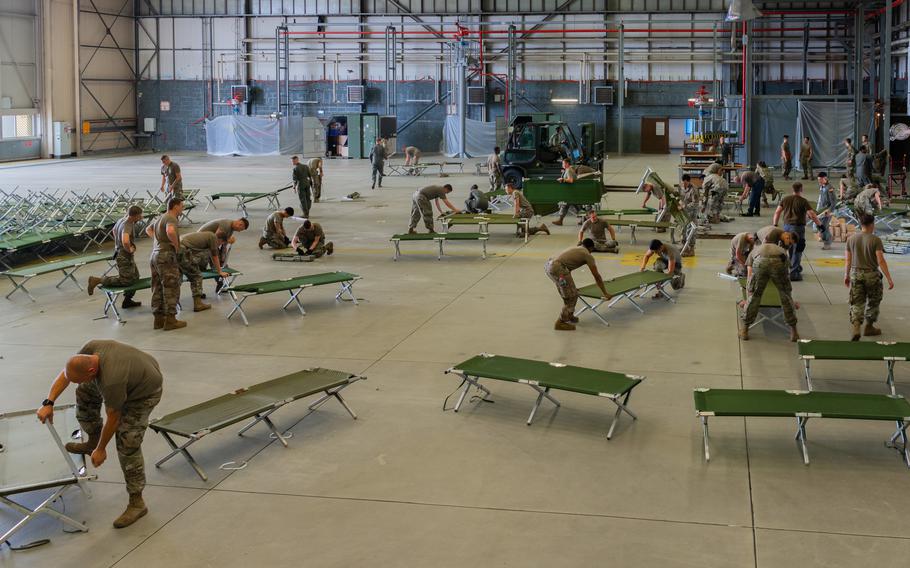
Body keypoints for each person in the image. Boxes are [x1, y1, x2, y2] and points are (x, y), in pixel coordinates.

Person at [36, 340, 162, 529]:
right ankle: (91, 442)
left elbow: (114, 417)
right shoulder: (91, 349)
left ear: (91, 372)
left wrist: (102, 449)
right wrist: (48, 402)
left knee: (127, 441)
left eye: (79, 379)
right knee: (84, 393)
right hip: (134, 372)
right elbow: (67, 374)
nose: (76, 383)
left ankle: (137, 503)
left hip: (144, 392)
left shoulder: (112, 380)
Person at [845, 214, 895, 340]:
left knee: (857, 302)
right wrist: (889, 278)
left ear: (861, 224)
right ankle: (869, 327)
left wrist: (846, 275)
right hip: (871, 275)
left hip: (856, 274)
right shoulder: (875, 240)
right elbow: (881, 260)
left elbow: (848, 260)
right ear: (872, 224)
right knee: (874, 301)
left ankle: (856, 327)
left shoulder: (851, 239)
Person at [544, 239, 611, 331]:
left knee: (568, 293)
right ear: (591, 248)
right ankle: (561, 322)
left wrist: (572, 287)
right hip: (558, 268)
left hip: (549, 266)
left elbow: (567, 267)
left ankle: (569, 315)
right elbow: (597, 276)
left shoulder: (577, 248)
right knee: (571, 296)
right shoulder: (587, 255)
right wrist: (605, 293)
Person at [739, 240, 799, 341]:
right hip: (779, 261)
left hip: (760, 262)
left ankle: (745, 331)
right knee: (785, 296)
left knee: (755, 296)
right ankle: (794, 332)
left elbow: (749, 275)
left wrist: (749, 294)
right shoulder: (781, 250)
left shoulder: (755, 250)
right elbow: (787, 270)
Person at [87, 205, 143, 309]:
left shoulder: (121, 220)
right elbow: (125, 240)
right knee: (126, 281)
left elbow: (113, 231)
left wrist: (118, 244)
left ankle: (127, 300)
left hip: (119, 252)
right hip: (124, 255)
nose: (141, 218)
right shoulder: (128, 224)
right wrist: (129, 249)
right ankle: (98, 280)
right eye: (140, 216)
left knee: (135, 277)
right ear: (135, 216)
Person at [145, 198, 185, 330]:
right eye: (181, 206)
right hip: (166, 256)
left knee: (157, 287)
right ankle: (171, 320)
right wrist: (176, 245)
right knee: (171, 286)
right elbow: (170, 231)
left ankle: (158, 319)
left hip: (155, 255)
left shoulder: (160, 217)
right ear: (175, 206)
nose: (182, 208)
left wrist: (158, 240)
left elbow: (148, 229)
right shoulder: (171, 218)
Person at [771, 182, 823, 281]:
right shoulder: (803, 201)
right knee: (798, 249)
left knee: (789, 248)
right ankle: (794, 273)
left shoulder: (785, 199)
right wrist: (820, 225)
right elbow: (812, 214)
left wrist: (775, 224)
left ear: (792, 189)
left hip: (786, 228)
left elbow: (777, 212)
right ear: (801, 189)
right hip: (798, 229)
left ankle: (793, 266)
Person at [177, 231, 229, 312]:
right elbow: (214, 256)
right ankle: (198, 304)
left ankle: (173, 302)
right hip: (183, 249)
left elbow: (210, 255)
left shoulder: (207, 235)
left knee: (178, 277)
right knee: (197, 276)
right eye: (221, 243)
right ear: (220, 240)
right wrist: (220, 271)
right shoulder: (213, 238)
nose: (219, 245)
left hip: (176, 246)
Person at [553, 159, 597, 225]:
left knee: (566, 205)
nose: (562, 165)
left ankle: (561, 220)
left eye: (563, 163)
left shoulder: (569, 170)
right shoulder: (568, 170)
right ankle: (584, 218)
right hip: (572, 192)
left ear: (567, 164)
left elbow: (570, 180)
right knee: (574, 206)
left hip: (572, 193)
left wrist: (563, 179)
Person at [815, 172, 836, 250]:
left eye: (820, 179)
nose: (819, 181)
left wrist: (829, 211)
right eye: (818, 180)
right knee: (819, 225)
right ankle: (829, 238)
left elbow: (833, 202)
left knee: (824, 226)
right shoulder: (822, 186)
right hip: (821, 209)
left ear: (825, 178)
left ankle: (827, 244)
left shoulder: (829, 188)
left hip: (827, 211)